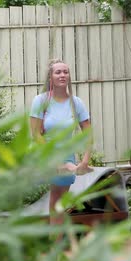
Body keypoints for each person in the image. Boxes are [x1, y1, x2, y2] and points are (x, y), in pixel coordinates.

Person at [29, 59, 93, 227]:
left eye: (65, 71)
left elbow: (88, 133)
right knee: (56, 201)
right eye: (58, 72)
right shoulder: (40, 101)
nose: (63, 75)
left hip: (67, 155)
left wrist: (85, 160)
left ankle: (55, 245)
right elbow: (35, 134)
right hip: (46, 154)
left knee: (59, 205)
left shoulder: (76, 103)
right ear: (50, 77)